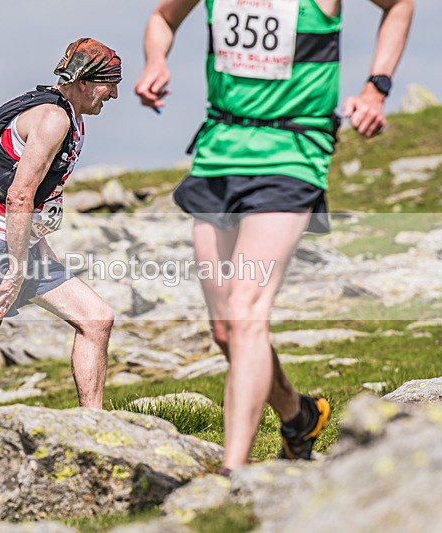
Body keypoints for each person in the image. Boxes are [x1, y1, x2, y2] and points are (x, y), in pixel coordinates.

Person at [135, 0, 413, 470]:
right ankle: (298, 415)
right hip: (218, 152)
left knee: (245, 312)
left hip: (292, 152)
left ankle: (233, 473)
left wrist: (376, 88)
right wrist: (155, 61)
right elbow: (162, 18)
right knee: (225, 330)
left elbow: (400, 5)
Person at [0, 38, 122, 428]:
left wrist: (38, 252)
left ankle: (94, 430)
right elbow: (19, 195)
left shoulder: (70, 114)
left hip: (18, 243)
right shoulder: (54, 118)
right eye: (109, 83)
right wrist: (16, 269)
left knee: (96, 319)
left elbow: (32, 204)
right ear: (84, 82)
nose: (114, 93)